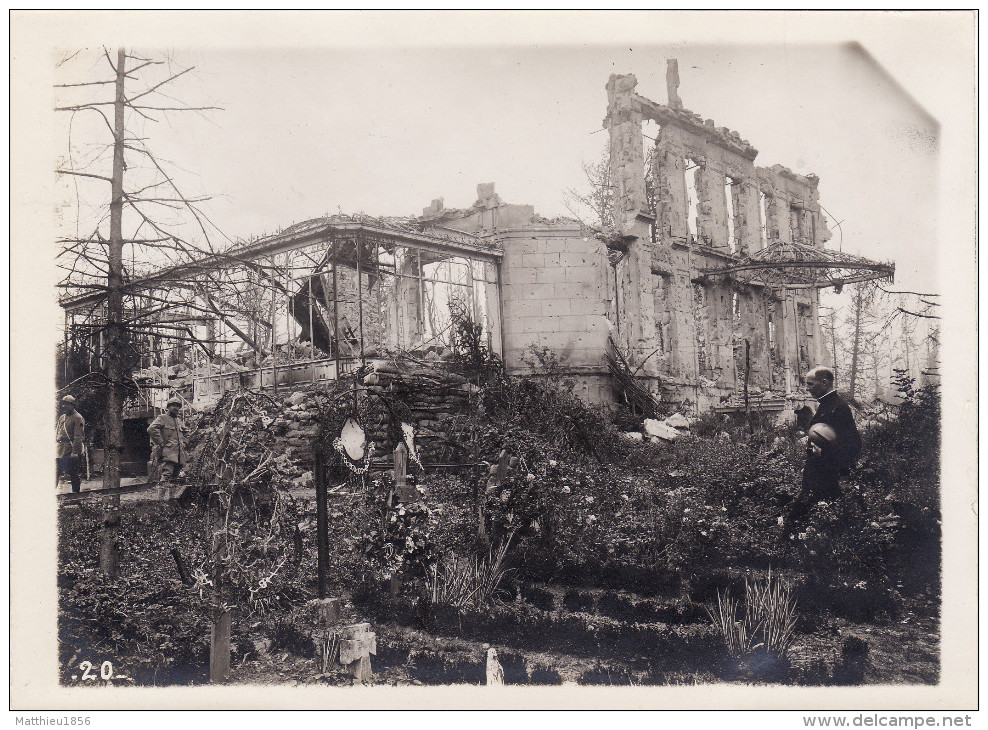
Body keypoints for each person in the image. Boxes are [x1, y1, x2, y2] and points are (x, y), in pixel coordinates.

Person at [783, 366, 862, 527]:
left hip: (828, 476)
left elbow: (854, 444)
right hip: (819, 473)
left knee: (799, 519)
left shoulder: (839, 407)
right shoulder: (826, 405)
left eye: (810, 384)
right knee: (827, 518)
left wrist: (826, 455)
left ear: (824, 383)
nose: (807, 389)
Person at [148, 396, 185, 484]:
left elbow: (185, 433)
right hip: (169, 453)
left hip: (179, 454)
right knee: (166, 476)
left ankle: (172, 497)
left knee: (175, 479)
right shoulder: (162, 418)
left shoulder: (178, 421)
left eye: (178, 406)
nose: (176, 408)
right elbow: (151, 429)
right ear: (168, 407)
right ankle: (161, 496)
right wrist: (160, 442)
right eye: (173, 405)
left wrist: (185, 443)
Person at [56, 395, 86, 493]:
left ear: (73, 405)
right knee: (55, 472)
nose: (64, 406)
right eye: (63, 404)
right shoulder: (62, 417)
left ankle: (75, 497)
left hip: (71, 450)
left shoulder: (77, 418)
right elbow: (58, 431)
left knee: (74, 474)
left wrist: (75, 453)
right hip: (60, 450)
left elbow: (78, 437)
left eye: (67, 404)